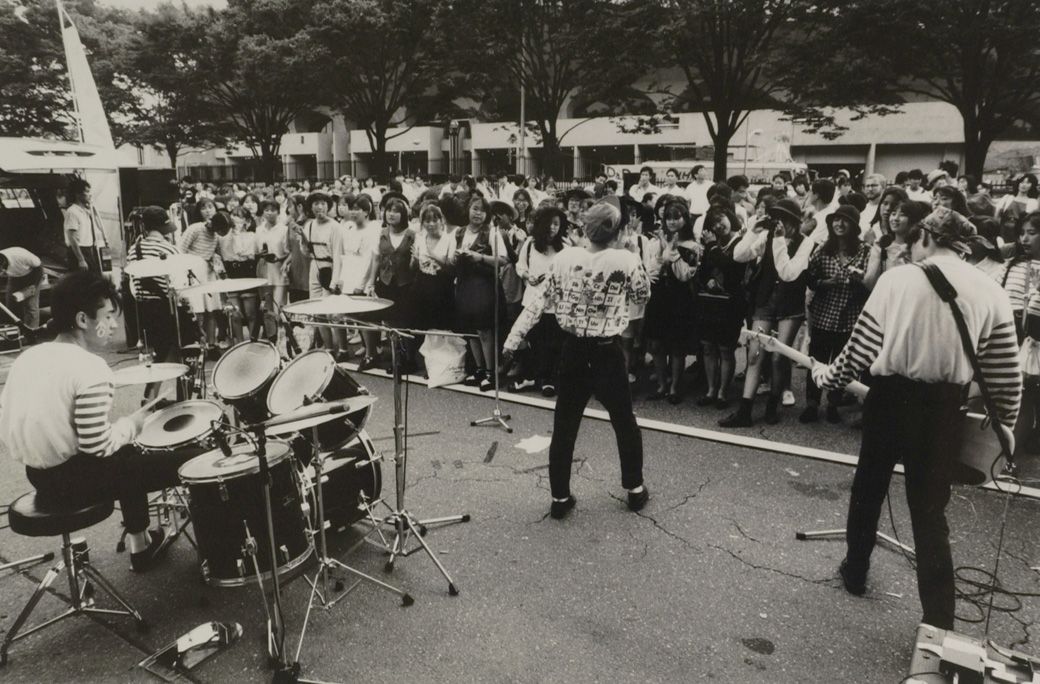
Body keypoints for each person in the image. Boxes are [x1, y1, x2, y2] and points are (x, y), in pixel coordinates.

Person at [811, 207, 1021, 630]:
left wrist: (827, 377)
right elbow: (1005, 375)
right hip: (943, 407)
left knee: (869, 488)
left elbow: (859, 350)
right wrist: (1006, 430)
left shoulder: (898, 279)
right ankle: (939, 618)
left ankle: (855, 571)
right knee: (929, 511)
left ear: (926, 236)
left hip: (889, 399)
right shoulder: (990, 290)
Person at [0, 271, 201, 571]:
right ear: (83, 320)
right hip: (77, 480)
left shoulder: (29, 358)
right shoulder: (90, 368)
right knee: (193, 459)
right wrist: (133, 425)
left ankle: (141, 545)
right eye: (108, 316)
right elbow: (98, 446)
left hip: (38, 474)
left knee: (127, 454)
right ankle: (218, 550)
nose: (114, 324)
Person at [502, 199, 651, 519]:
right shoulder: (625, 259)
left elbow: (540, 303)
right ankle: (635, 488)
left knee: (565, 425)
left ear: (586, 228)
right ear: (618, 231)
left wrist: (512, 340)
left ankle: (559, 497)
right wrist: (633, 256)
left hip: (571, 349)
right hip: (607, 350)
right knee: (624, 421)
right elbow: (641, 296)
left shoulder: (566, 257)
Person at [722, 198, 814, 427]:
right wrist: (753, 233)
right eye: (777, 218)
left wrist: (780, 240)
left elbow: (788, 273)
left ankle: (773, 404)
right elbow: (739, 255)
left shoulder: (806, 243)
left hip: (790, 305)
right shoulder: (767, 235)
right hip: (764, 300)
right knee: (754, 355)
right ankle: (745, 410)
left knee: (778, 357)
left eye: (785, 218)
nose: (780, 223)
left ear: (795, 221)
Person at [800, 205, 869, 423]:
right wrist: (826, 283)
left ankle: (833, 403)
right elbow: (809, 278)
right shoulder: (823, 249)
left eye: (845, 220)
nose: (839, 224)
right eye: (835, 220)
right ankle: (812, 403)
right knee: (816, 359)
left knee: (841, 364)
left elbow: (871, 284)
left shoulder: (864, 251)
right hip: (823, 313)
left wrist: (858, 280)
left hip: (849, 315)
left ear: (854, 226)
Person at [125, 206, 188, 399]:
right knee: (181, 353)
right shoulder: (168, 249)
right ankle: (182, 395)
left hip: (144, 308)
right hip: (165, 307)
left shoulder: (133, 250)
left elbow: (133, 286)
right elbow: (180, 283)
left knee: (159, 354)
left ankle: (151, 395)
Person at [643, 201, 699, 403]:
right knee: (657, 344)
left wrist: (673, 253)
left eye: (677, 217)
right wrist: (661, 253)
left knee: (677, 345)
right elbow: (652, 269)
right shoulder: (657, 241)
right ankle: (661, 384)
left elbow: (686, 275)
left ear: (685, 219)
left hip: (680, 297)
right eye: (669, 217)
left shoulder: (693, 246)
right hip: (659, 295)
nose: (672, 221)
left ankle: (675, 387)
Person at [512, 206, 570, 394]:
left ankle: (548, 379)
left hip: (554, 303)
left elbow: (571, 272)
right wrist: (528, 276)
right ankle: (531, 376)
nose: (553, 228)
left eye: (556, 224)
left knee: (553, 342)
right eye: (550, 223)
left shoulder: (566, 247)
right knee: (532, 339)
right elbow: (520, 266)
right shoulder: (530, 243)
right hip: (532, 300)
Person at [695, 206, 748, 409]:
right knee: (708, 347)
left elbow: (731, 267)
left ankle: (723, 392)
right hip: (710, 300)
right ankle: (710, 389)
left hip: (732, 302)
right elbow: (703, 270)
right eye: (714, 222)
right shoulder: (712, 243)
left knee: (726, 349)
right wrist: (708, 280)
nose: (719, 225)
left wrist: (711, 247)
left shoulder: (740, 242)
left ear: (730, 217)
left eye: (722, 218)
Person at [455, 195, 509, 390]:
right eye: (474, 208)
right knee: (470, 330)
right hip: (464, 284)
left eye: (482, 210)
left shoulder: (492, 233)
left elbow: (503, 260)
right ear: (468, 209)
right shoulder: (459, 232)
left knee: (485, 330)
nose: (477, 213)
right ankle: (478, 368)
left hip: (484, 285)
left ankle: (490, 371)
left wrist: (479, 257)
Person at [64, 178, 106, 274]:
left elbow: (99, 226)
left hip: (88, 249)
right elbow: (72, 238)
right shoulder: (72, 211)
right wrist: (81, 259)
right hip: (79, 250)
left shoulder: (86, 211)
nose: (89, 194)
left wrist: (93, 210)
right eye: (86, 191)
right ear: (78, 194)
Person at [0, 245, 43, 329]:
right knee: (10, 303)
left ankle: (32, 331)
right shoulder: (2, 262)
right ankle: (15, 331)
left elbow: (39, 267)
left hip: (32, 275)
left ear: (3, 264)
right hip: (14, 277)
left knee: (31, 305)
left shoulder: (19, 255)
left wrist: (34, 286)